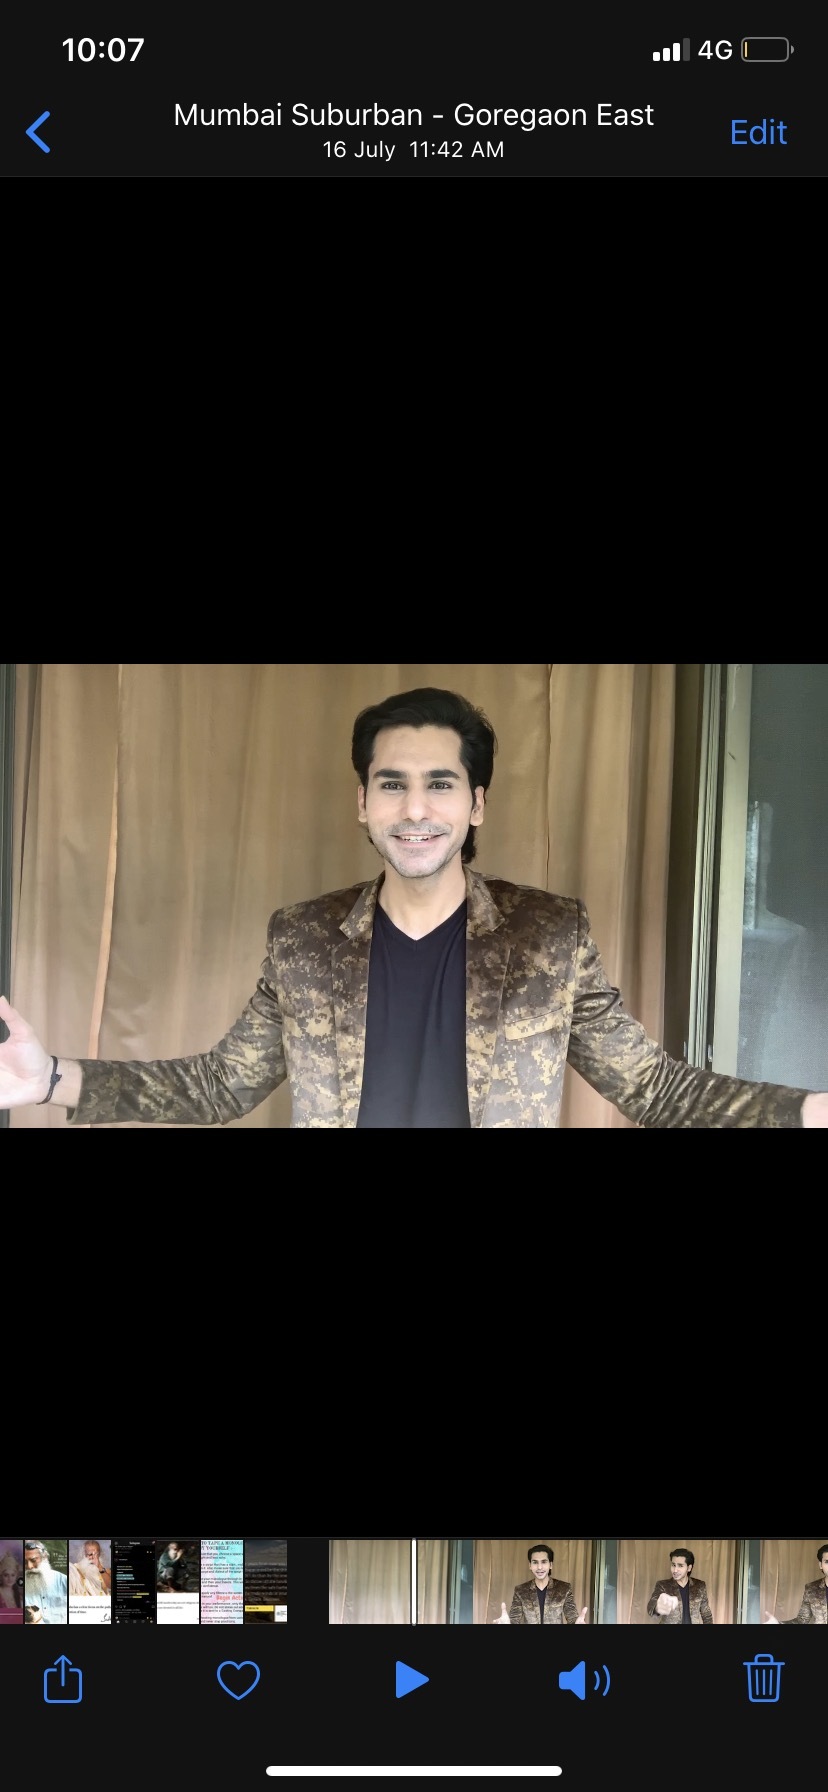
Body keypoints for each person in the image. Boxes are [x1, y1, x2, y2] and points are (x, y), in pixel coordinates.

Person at [2, 685, 828, 1130]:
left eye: (441, 783)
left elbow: (654, 1090)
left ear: (476, 804)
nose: (416, 808)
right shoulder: (304, 939)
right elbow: (218, 1087)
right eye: (392, 785)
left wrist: (805, 1112)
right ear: (363, 803)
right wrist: (51, 1082)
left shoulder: (549, 935)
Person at [492, 1545, 588, 1625]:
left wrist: (577, 1622)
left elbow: (572, 1617)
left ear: (550, 1565)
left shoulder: (564, 1588)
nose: (539, 1567)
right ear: (530, 1565)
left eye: (544, 1562)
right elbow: (514, 1619)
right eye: (535, 1562)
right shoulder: (520, 1590)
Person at [764, 1544, 828, 1624]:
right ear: (820, 1565)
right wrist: (778, 1623)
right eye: (827, 1562)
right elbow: (801, 1620)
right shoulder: (812, 1589)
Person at [647, 1549, 713, 1624]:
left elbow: (706, 1614)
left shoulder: (700, 1586)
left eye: (680, 1566)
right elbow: (651, 1608)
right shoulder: (663, 1585)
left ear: (689, 1568)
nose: (675, 1570)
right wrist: (657, 1608)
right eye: (673, 1565)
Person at [24, 1541, 68, 1622]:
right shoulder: (17, 1589)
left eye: (33, 1560)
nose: (29, 1566)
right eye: (25, 1562)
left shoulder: (65, 1581)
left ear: (44, 1557)